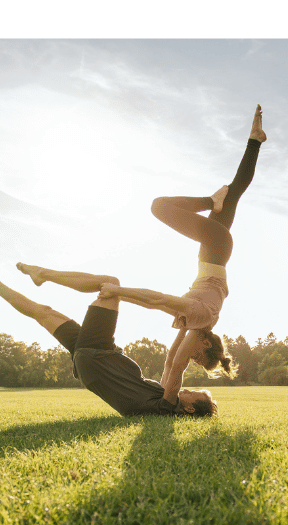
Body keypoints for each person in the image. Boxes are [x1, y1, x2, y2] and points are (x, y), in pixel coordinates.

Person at [88, 104, 266, 383]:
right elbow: (157, 305)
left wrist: (164, 390)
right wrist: (118, 291)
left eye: (193, 359)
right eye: (197, 357)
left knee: (234, 191)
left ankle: (255, 140)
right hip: (215, 247)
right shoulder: (199, 316)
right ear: (206, 344)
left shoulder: (195, 322)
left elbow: (172, 360)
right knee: (159, 207)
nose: (190, 356)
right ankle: (210, 200)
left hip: (213, 249)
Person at [0, 257, 216, 417]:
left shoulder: (168, 406)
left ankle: (43, 274)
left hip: (99, 354)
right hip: (90, 363)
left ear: (190, 407)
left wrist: (195, 325)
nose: (188, 389)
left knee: (110, 284)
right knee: (42, 313)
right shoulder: (159, 399)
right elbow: (171, 361)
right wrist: (185, 327)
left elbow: (178, 369)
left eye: (193, 393)